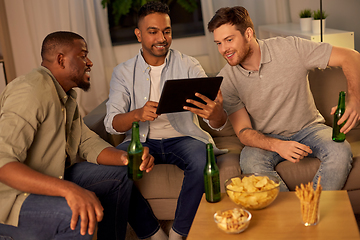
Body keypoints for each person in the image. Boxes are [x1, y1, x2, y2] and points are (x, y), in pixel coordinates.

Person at [0, 31, 162, 240]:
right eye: (83, 55)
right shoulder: (30, 90)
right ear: (61, 59)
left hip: (52, 175)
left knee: (121, 175)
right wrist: (69, 190)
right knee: (76, 214)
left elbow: (87, 142)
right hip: (11, 199)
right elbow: (2, 162)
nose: (90, 62)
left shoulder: (65, 96)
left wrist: (126, 159)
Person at [104, 2, 226, 239]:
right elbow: (112, 123)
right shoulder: (122, 72)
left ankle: (178, 233)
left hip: (183, 138)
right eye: (153, 31)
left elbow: (217, 120)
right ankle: (152, 233)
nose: (162, 38)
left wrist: (216, 113)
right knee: (112, 169)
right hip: (141, 141)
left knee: (202, 158)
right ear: (138, 34)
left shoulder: (189, 64)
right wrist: (137, 114)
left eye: (167, 31)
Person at [207, 6, 360, 191]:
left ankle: (312, 209)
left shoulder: (290, 48)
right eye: (218, 43)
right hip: (266, 138)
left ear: (248, 34)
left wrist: (355, 99)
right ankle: (290, 218)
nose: (224, 49)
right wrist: (278, 145)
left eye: (229, 40)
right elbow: (244, 131)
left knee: (340, 150)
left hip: (310, 129)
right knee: (250, 160)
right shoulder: (227, 80)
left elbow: (350, 56)